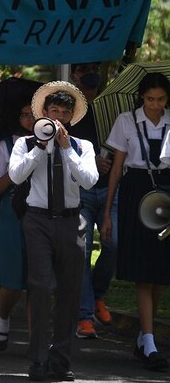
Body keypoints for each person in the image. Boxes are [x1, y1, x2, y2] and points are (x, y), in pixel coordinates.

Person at [9, 81, 98, 382]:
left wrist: (65, 150)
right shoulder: (25, 143)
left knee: (70, 292)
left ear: (72, 116)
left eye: (65, 112)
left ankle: (61, 359)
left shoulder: (82, 146)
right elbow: (16, 175)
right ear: (44, 114)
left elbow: (89, 180)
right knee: (41, 286)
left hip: (72, 221)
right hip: (37, 220)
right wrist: (41, 146)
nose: (59, 117)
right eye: (54, 111)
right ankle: (37, 358)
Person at [104, 72, 170, 371]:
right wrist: (107, 211)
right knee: (144, 270)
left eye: (161, 100)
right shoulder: (126, 121)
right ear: (141, 98)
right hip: (136, 191)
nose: (155, 105)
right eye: (150, 99)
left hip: (166, 194)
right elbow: (117, 168)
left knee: (160, 272)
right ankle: (149, 339)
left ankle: (146, 337)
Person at [68, 62, 116, 338]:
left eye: (95, 69)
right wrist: (92, 161)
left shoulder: (109, 108)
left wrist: (110, 161)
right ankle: (85, 315)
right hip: (82, 190)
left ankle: (98, 295)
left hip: (109, 188)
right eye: (84, 71)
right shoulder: (70, 112)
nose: (90, 75)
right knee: (82, 251)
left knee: (113, 244)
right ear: (74, 75)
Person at [0, 102, 34, 353]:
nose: (30, 119)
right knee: (12, 279)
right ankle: (3, 317)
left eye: (35, 114)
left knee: (40, 279)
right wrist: (15, 173)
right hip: (12, 213)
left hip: (43, 212)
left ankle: (36, 343)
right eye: (25, 114)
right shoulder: (6, 145)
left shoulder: (56, 142)